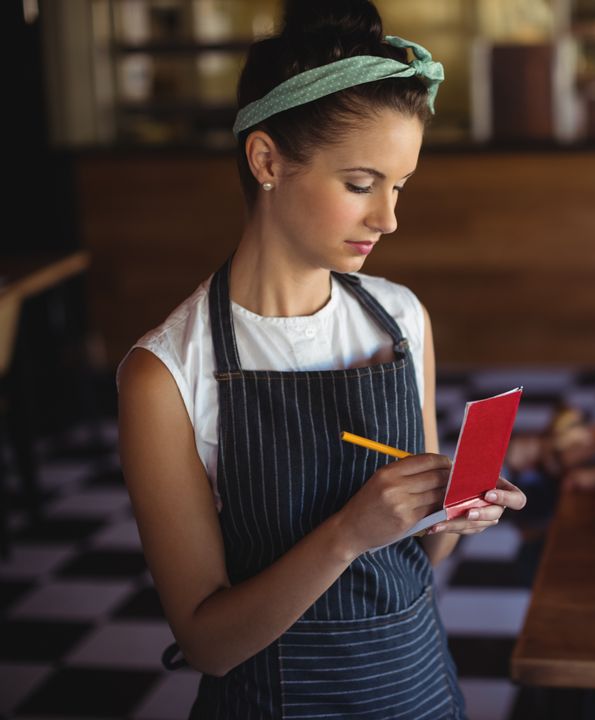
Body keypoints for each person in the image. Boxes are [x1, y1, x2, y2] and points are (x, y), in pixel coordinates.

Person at [116, 1, 526, 717]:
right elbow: (208, 645)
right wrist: (346, 535)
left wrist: (449, 517)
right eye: (361, 184)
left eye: (399, 187)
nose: (389, 218)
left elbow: (418, 562)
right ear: (267, 159)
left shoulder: (401, 319)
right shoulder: (164, 375)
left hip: (419, 691)